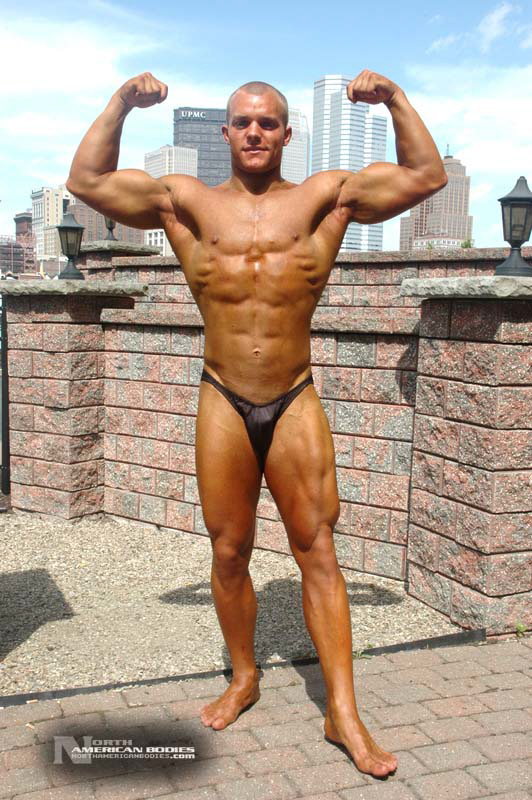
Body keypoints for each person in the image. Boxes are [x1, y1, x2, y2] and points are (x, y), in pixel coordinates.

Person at [66, 69, 447, 778]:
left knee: (319, 551)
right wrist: (120, 102)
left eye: (267, 122)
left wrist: (395, 99)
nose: (254, 132)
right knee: (229, 551)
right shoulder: (186, 201)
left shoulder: (324, 196)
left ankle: (343, 712)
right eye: (242, 121)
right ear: (225, 131)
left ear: (286, 133)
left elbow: (426, 176)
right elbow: (86, 181)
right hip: (223, 397)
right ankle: (244, 676)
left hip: (294, 396)